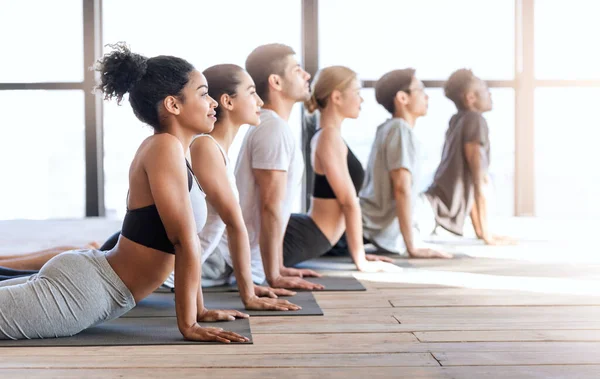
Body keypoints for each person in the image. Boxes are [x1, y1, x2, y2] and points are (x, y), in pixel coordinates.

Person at [0, 43, 249, 342]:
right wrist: (189, 325)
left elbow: (188, 242)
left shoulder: (175, 151)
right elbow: (182, 241)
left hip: (92, 278)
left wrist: (200, 310)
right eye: (203, 93)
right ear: (173, 105)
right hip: (88, 290)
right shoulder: (164, 147)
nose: (213, 103)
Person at [285, 65, 397, 271]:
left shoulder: (329, 135)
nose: (361, 100)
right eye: (357, 92)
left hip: (315, 236)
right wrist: (360, 259)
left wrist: (361, 255)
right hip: (308, 235)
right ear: (336, 97)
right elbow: (348, 203)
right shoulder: (328, 136)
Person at [360, 69, 452, 258]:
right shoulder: (400, 130)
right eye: (420, 90)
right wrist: (413, 247)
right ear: (402, 98)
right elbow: (401, 188)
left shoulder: (388, 128)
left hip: (366, 228)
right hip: (368, 230)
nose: (427, 96)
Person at [426, 69, 513, 245]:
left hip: (429, 207)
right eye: (485, 88)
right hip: (431, 212)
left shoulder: (458, 120)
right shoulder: (475, 120)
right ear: (471, 98)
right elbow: (478, 180)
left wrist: (481, 231)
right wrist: (486, 234)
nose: (490, 93)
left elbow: (469, 185)